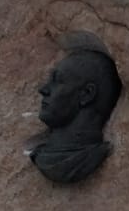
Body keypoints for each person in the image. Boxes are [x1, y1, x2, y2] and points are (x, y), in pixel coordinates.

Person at [30, 49, 121, 184]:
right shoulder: (42, 155)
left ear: (87, 94)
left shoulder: (88, 157)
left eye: (58, 81)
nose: (44, 90)